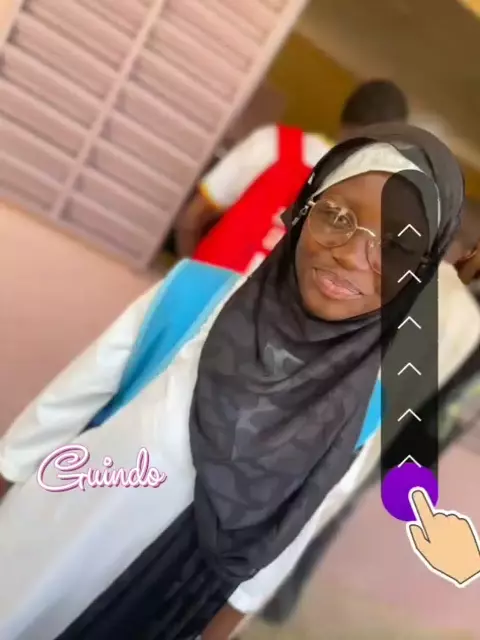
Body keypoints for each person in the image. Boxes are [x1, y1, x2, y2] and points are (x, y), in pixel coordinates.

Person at [0, 124, 473, 640]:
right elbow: (53, 414)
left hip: (156, 610)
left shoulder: (361, 412)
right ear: (304, 208)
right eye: (339, 216)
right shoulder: (191, 299)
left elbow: (285, 542)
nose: (352, 254)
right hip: (34, 557)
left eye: (396, 245)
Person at [175, 80, 409, 272]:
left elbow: (191, 219)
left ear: (344, 115)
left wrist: (191, 280)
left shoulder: (271, 143)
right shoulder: (367, 204)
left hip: (201, 299)